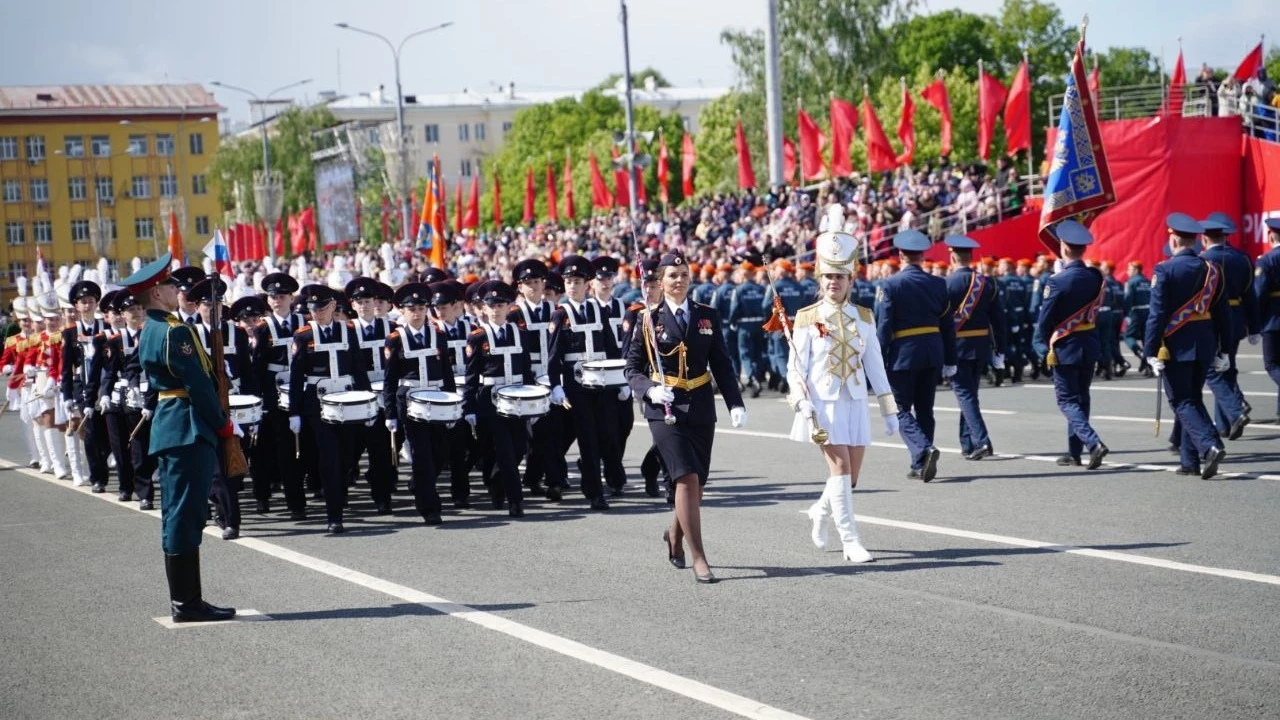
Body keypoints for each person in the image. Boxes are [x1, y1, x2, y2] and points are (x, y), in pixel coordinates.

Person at [121, 252, 240, 623]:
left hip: (174, 426)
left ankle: (187, 600)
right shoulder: (174, 332)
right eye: (171, 285)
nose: (177, 289)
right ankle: (186, 603)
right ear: (156, 293)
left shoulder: (154, 329)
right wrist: (221, 423)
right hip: (188, 427)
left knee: (180, 512)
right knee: (186, 515)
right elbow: (199, 386)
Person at [625, 251, 746, 584]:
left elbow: (721, 362)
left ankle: (674, 535)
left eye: (683, 275)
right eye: (672, 276)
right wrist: (649, 390)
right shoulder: (648, 319)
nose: (679, 281)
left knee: (698, 484)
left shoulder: (707, 315)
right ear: (660, 282)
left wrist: (735, 403)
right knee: (686, 478)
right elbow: (631, 368)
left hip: (701, 404)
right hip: (665, 408)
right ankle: (700, 559)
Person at [786, 232, 896, 564]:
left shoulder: (864, 317)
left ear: (851, 279)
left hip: (856, 402)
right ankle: (851, 541)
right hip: (822, 405)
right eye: (828, 276)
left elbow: (875, 365)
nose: (834, 282)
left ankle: (820, 511)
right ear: (820, 279)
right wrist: (800, 401)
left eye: (840, 276)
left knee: (851, 478)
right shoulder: (807, 317)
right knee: (840, 467)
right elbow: (796, 367)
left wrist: (889, 410)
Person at [1145, 213, 1230, 479]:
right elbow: (1222, 313)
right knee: (1192, 399)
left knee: (1181, 400)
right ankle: (1189, 462)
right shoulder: (1212, 269)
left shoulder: (1164, 269)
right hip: (1205, 343)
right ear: (1194, 241)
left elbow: (1156, 314)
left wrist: (1150, 350)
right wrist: (1224, 348)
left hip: (1176, 345)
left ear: (1173, 239)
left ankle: (1210, 445)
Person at [288, 284, 373, 534]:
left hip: (348, 402)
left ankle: (337, 488)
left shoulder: (348, 331)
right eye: (313, 309)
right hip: (318, 405)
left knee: (347, 455)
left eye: (322, 308)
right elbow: (296, 376)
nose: (317, 313)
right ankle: (334, 515)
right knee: (330, 459)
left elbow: (359, 368)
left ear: (333, 306)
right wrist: (295, 411)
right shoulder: (303, 335)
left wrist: (368, 402)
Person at [875, 230, 956, 482]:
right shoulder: (938, 283)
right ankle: (919, 463)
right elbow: (948, 325)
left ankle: (923, 449)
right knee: (925, 409)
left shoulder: (890, 284)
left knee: (897, 408)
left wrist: (878, 357)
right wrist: (950, 359)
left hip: (903, 354)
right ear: (922, 256)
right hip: (932, 351)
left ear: (900, 255)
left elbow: (884, 326)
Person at [547, 255, 624, 510]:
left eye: (577, 281)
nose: (572, 286)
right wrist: (555, 385)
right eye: (568, 282)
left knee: (609, 434)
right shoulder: (561, 314)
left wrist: (621, 378)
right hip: (576, 385)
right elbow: (554, 354)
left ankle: (593, 476)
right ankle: (594, 492)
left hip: (602, 383)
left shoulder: (598, 309)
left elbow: (612, 347)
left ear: (586, 284)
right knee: (588, 438)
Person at [1033, 220, 1110, 470]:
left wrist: (1040, 346)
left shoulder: (1057, 281)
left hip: (1065, 347)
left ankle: (1093, 443)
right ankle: (1074, 453)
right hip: (1089, 343)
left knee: (1067, 401)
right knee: (1082, 399)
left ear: (1063, 248)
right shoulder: (1095, 276)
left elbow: (1046, 319)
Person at [382, 282, 456, 525]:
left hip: (437, 400)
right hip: (410, 402)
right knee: (421, 453)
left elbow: (447, 373)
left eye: (422, 307)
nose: (417, 312)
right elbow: (390, 379)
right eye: (411, 308)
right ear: (402, 311)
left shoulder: (439, 335)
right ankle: (430, 507)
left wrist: (452, 403)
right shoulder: (395, 339)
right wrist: (391, 413)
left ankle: (418, 483)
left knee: (441, 452)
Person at [188, 278, 254, 540]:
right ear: (197, 306)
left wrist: (254, 404)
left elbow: (247, 372)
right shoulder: (189, 333)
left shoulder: (235, 332)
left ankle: (220, 503)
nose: (213, 309)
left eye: (217, 304)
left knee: (237, 468)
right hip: (207, 407)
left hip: (237, 403)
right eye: (207, 304)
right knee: (219, 469)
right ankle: (231, 521)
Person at [464, 280, 536, 518]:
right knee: (504, 450)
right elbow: (471, 376)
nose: (496, 309)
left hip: (516, 399)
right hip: (491, 402)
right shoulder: (477, 337)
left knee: (518, 448)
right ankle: (516, 501)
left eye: (501, 305)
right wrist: (470, 407)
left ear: (509, 307)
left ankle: (496, 481)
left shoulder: (521, 334)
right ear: (484, 308)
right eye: (491, 305)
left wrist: (531, 397)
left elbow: (526, 369)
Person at [250, 272, 307, 518]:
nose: (277, 301)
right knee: (272, 448)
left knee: (298, 449)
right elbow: (258, 366)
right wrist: (260, 399)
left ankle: (298, 499)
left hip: (301, 389)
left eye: (281, 296)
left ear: (290, 298)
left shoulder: (303, 323)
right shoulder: (263, 328)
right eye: (272, 297)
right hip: (273, 391)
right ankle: (265, 497)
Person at [944, 235, 1006, 459]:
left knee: (965, 394)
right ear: (970, 257)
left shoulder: (947, 284)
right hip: (981, 346)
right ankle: (967, 443)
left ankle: (981, 440)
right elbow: (998, 319)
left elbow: (942, 321)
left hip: (957, 347)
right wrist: (1000, 349)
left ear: (952, 257)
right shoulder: (987, 282)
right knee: (969, 394)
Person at [1200, 212, 1257, 439]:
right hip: (1236, 317)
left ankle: (1236, 406)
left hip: (1211, 319)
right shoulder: (1242, 258)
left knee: (1213, 369)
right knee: (1228, 366)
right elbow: (1250, 295)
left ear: (1205, 237)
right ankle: (1223, 425)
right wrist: (1255, 327)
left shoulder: (1203, 260)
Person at [99, 290, 156, 510]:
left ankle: (145, 493)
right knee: (120, 446)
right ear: (122, 314)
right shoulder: (116, 340)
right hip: (119, 397)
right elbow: (109, 372)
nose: (136, 313)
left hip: (145, 395)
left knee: (140, 446)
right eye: (131, 310)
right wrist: (104, 394)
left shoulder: (149, 334)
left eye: (139, 309)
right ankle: (125, 486)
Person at [345, 277, 398, 514]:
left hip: (384, 396)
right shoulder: (346, 330)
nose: (364, 305)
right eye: (359, 302)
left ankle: (382, 496)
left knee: (381, 449)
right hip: (357, 396)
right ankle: (341, 487)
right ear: (353, 305)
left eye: (368, 300)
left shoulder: (393, 328)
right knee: (350, 449)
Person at [430, 280, 476, 508]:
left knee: (466, 446)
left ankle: (461, 491)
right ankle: (422, 482)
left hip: (468, 390)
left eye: (445, 305)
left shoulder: (471, 327)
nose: (441, 310)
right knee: (442, 446)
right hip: (444, 393)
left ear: (456, 305)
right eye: (437, 307)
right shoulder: (431, 331)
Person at [60, 279, 109, 491]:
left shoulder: (106, 328)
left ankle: (105, 462)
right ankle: (98, 477)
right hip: (83, 386)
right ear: (77, 306)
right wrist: (67, 395)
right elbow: (66, 366)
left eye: (90, 301)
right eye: (83, 302)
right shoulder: (70, 333)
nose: (87, 305)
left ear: (96, 303)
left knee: (107, 432)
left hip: (105, 385)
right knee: (90, 433)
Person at [729, 263, 767, 397]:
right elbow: (765, 306)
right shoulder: (760, 289)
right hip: (759, 324)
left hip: (744, 325)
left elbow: (734, 309)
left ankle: (752, 378)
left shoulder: (738, 290)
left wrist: (732, 323)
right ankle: (757, 377)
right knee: (757, 354)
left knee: (745, 353)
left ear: (743, 273)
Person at [1255, 218, 1280, 419]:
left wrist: (1256, 320)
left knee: (1271, 365)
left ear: (1271, 236)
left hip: (1273, 319)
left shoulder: (1267, 260)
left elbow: (1260, 292)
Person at [1123, 261, 1153, 377]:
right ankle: (1149, 365)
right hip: (1149, 312)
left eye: (1129, 269)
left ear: (1135, 270)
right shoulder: (1148, 281)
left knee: (1128, 336)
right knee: (1146, 339)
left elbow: (1128, 299)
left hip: (1136, 312)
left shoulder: (1132, 282)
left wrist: (1125, 314)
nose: (1128, 272)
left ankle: (1141, 354)